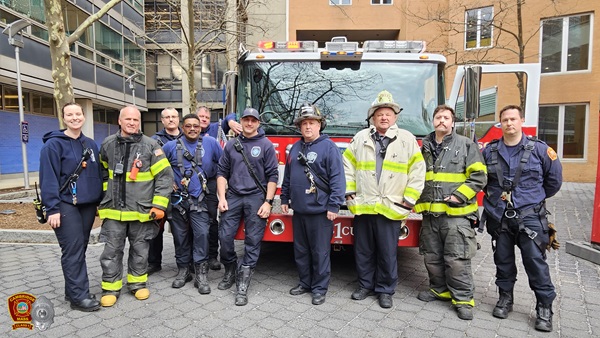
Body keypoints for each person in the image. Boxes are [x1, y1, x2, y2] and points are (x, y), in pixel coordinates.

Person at [482, 105, 562, 332]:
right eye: (505, 120)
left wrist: (532, 199)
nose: (509, 123)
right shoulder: (490, 151)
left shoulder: (539, 150)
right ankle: (505, 299)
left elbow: (553, 181)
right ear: (500, 123)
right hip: (500, 217)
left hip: (530, 219)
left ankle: (544, 308)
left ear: (521, 121)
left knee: (535, 263)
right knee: (503, 262)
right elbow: (483, 180)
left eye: (513, 119)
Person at [343, 90, 426, 309]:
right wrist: (348, 191)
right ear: (373, 117)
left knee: (387, 253)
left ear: (395, 116)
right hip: (364, 205)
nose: (384, 117)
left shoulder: (407, 139)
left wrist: (409, 199)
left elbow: (418, 171)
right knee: (363, 251)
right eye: (380, 113)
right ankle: (364, 285)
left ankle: (385, 290)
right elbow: (347, 165)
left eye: (388, 113)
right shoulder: (360, 138)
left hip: (391, 207)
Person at [414, 105, 487, 320]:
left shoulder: (465, 144)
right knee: (432, 256)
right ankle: (440, 290)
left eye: (446, 117)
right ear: (433, 121)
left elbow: (479, 176)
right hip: (430, 216)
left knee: (457, 259)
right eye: (438, 117)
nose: (442, 121)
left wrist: (459, 196)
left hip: (456, 215)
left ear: (452, 123)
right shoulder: (424, 147)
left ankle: (463, 299)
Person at [97, 105, 173, 307]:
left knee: (140, 250)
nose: (132, 123)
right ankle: (110, 287)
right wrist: (106, 195)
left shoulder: (151, 146)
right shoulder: (107, 144)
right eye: (128, 119)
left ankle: (137, 284)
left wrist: (159, 206)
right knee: (111, 251)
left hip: (142, 210)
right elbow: (104, 172)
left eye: (136, 120)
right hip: (114, 211)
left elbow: (165, 178)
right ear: (119, 121)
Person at [39, 102, 103, 312]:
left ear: (83, 117)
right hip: (65, 205)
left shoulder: (90, 144)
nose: (74, 117)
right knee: (73, 250)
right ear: (63, 118)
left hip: (87, 206)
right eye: (70, 114)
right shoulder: (53, 145)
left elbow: (96, 175)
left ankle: (73, 290)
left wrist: (98, 202)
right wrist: (52, 208)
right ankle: (79, 298)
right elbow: (48, 178)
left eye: (78, 114)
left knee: (80, 248)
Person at [280, 103, 345, 306]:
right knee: (301, 250)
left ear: (319, 125)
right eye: (304, 123)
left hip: (320, 212)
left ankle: (319, 288)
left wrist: (334, 205)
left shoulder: (329, 148)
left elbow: (337, 179)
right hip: (299, 210)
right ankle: (305, 283)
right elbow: (288, 176)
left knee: (320, 252)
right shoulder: (295, 148)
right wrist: (284, 198)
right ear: (300, 127)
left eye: (312, 123)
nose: (308, 127)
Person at [216, 107, 279, 306]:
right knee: (225, 237)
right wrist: (222, 197)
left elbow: (272, 176)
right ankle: (231, 270)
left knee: (253, 241)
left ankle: (242, 283)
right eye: (246, 120)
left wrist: (268, 202)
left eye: (253, 120)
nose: (249, 123)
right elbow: (221, 172)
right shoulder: (231, 144)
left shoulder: (266, 145)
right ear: (241, 122)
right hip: (233, 196)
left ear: (258, 123)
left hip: (256, 198)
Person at [162, 114, 223, 293]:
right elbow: (158, 167)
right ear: (183, 127)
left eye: (196, 126)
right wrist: (168, 181)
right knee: (180, 237)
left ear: (200, 127)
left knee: (202, 234)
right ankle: (183, 271)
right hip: (178, 201)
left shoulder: (211, 143)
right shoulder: (170, 146)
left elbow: (224, 164)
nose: (192, 129)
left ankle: (201, 274)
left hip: (201, 200)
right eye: (188, 126)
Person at [197, 106, 241, 271]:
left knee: (211, 219)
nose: (203, 119)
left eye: (206, 117)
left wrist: (230, 121)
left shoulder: (216, 129)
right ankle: (193, 257)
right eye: (200, 116)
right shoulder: (188, 130)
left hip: (210, 182)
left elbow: (232, 114)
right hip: (191, 184)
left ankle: (212, 257)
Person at [148, 107, 182, 275]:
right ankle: (154, 262)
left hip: (181, 194)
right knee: (155, 229)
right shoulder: (154, 140)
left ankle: (182, 264)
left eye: (174, 116)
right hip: (160, 193)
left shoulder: (188, 137)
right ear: (162, 121)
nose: (170, 119)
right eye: (167, 117)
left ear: (178, 119)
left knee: (181, 230)